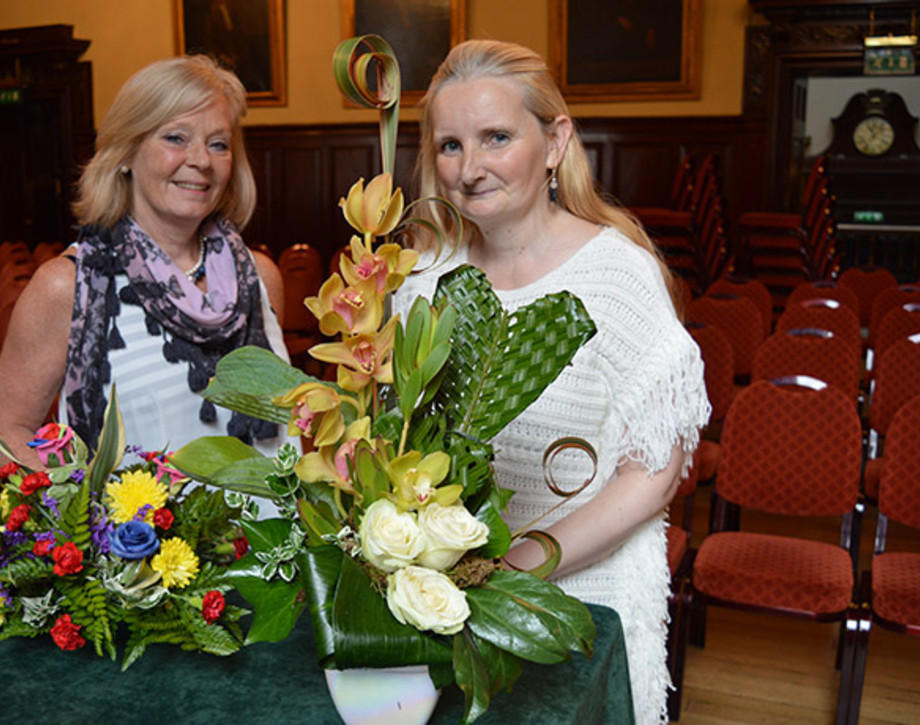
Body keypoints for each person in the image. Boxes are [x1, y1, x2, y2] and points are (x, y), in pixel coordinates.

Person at [394, 40, 710, 724]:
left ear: (555, 141)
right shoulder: (421, 278)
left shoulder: (619, 278)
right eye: (450, 145)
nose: (469, 168)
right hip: (437, 598)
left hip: (582, 590)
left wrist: (528, 562)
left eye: (496, 137)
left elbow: (655, 469)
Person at [0, 55, 288, 471]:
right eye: (175, 138)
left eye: (218, 144)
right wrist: (83, 523)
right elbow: (10, 430)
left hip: (276, 533)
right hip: (144, 535)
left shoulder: (260, 276)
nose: (201, 161)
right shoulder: (67, 286)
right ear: (125, 153)